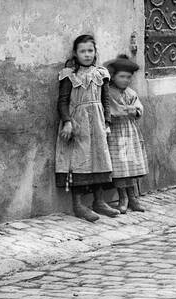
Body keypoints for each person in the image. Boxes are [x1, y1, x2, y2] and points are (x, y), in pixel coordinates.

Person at [55, 34, 117, 222]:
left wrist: (107, 122)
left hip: (97, 123)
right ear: (76, 53)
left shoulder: (101, 73)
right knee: (79, 160)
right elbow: (63, 101)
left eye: (90, 50)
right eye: (83, 51)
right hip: (78, 123)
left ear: (95, 52)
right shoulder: (69, 75)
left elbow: (106, 100)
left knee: (99, 157)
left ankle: (99, 201)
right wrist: (67, 121)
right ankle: (78, 205)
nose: (87, 54)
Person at [103, 54, 149, 212]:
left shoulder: (131, 93)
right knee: (120, 166)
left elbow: (139, 109)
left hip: (130, 132)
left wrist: (135, 110)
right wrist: (127, 110)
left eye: (128, 77)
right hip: (115, 132)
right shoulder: (109, 93)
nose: (125, 80)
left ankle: (133, 197)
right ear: (113, 77)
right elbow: (113, 110)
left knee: (130, 164)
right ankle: (122, 197)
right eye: (121, 76)